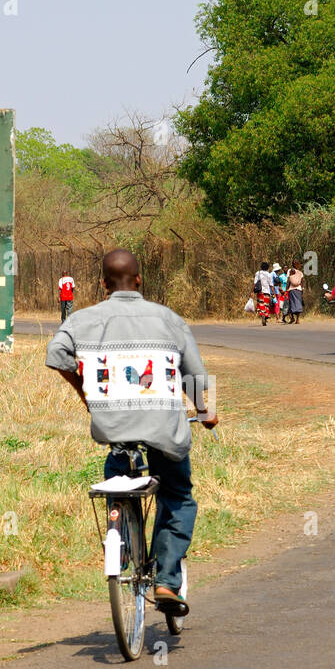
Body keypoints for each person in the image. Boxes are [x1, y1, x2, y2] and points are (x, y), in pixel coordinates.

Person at [45, 249, 218, 615]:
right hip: (165, 429)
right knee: (178, 495)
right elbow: (197, 376)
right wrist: (206, 413)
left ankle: (120, 536)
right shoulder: (169, 319)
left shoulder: (82, 320)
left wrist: (85, 392)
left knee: (119, 471)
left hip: (114, 429)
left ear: (104, 284)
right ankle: (168, 581)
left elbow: (56, 355)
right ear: (138, 280)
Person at [253, 261, 274, 326]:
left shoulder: (258, 273)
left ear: (261, 267)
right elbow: (271, 285)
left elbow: (254, 283)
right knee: (266, 305)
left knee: (261, 304)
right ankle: (266, 315)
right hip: (267, 292)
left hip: (260, 291)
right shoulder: (269, 274)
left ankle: (262, 314)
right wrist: (274, 294)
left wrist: (252, 291)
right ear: (267, 267)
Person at [285, 260, 305, 324]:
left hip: (292, 289)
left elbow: (288, 280)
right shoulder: (300, 273)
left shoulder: (290, 271)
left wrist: (286, 289)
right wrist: (302, 289)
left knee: (292, 304)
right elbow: (302, 282)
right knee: (298, 304)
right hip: (298, 289)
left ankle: (293, 318)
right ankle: (297, 319)